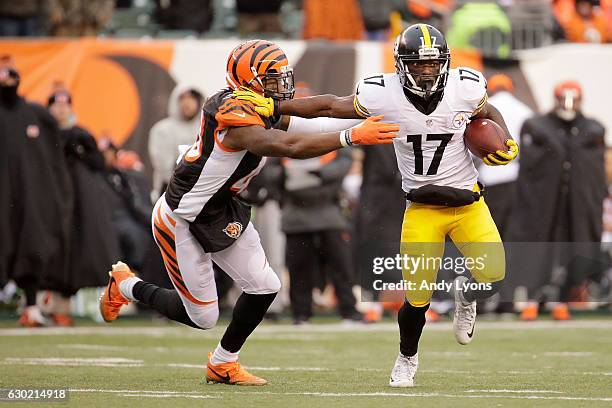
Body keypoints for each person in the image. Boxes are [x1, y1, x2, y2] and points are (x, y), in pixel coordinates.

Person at [99, 39, 398, 386]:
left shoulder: (257, 102)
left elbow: (322, 111)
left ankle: (223, 362)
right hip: (182, 217)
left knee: (264, 286)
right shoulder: (232, 114)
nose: (281, 84)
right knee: (203, 316)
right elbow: (290, 145)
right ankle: (127, 286)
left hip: (223, 209)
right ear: (249, 79)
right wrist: (352, 137)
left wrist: (372, 108)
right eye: (273, 77)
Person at [235, 24, 518, 387]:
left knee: (493, 277)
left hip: (468, 204)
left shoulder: (465, 87)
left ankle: (465, 294)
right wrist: (276, 105)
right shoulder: (382, 94)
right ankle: (407, 358)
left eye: (433, 65)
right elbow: (329, 106)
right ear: (402, 66)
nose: (427, 72)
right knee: (416, 299)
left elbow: (488, 110)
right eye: (419, 65)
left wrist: (505, 139)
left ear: (445, 64)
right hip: (423, 208)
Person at [508, 81, 606, 321]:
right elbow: (533, 165)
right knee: (537, 249)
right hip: (543, 203)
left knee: (571, 249)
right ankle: (531, 297)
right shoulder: (537, 126)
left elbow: (591, 167)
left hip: (575, 204)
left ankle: (560, 298)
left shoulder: (591, 128)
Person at [0, 59, 73, 327]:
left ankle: (31, 308)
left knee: (30, 247)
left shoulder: (36, 115)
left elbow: (54, 159)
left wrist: (51, 192)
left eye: (11, 76)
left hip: (29, 197)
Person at [41, 87, 119, 326]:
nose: (61, 109)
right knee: (48, 249)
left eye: (65, 105)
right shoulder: (42, 132)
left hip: (78, 203)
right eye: (56, 105)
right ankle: (38, 306)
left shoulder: (80, 133)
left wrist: (81, 150)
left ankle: (60, 308)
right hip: (49, 199)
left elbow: (98, 163)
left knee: (73, 252)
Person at [278, 149, 362, 324]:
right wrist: (290, 174)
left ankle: (349, 311)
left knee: (341, 265)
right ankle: (300, 314)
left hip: (329, 212)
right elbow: (271, 170)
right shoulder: (286, 134)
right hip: (296, 214)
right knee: (299, 267)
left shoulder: (331, 131)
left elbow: (344, 162)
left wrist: (315, 172)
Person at [148, 85, 205, 198]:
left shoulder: (206, 129)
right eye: (182, 98)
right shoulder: (162, 129)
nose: (187, 102)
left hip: (202, 194)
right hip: (169, 192)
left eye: (191, 97)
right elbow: (164, 167)